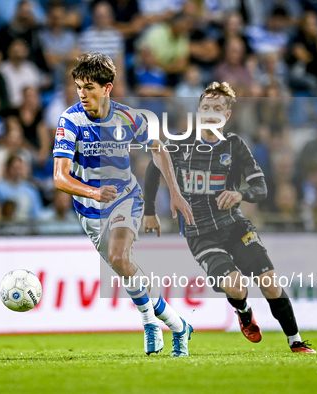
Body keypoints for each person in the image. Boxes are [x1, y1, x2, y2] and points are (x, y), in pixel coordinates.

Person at [143, 81, 316, 353]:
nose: (210, 112)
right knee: (235, 287)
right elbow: (154, 170)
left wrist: (240, 195)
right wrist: (150, 211)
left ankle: (295, 342)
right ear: (198, 111)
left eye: (217, 108)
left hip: (234, 226)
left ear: (227, 115)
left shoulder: (235, 145)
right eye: (205, 107)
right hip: (199, 233)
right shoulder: (178, 143)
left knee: (269, 282)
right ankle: (244, 311)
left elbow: (261, 188)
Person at [53, 52, 195, 356]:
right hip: (89, 209)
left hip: (126, 199)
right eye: (79, 87)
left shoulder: (130, 117)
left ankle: (149, 323)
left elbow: (160, 150)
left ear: (107, 88)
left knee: (119, 256)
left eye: (89, 87)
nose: (82, 93)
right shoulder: (70, 120)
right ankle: (177, 324)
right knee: (123, 267)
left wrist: (175, 193)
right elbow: (60, 178)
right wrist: (92, 193)